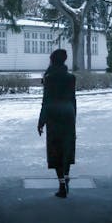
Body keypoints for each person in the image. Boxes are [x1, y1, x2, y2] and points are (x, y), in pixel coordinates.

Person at [37, 49, 76, 198]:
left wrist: (41, 121)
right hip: (68, 113)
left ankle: (61, 186)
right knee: (67, 147)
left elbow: (45, 101)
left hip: (54, 114)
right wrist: (74, 116)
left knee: (56, 149)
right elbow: (73, 99)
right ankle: (66, 177)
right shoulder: (71, 78)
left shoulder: (49, 78)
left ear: (52, 61)